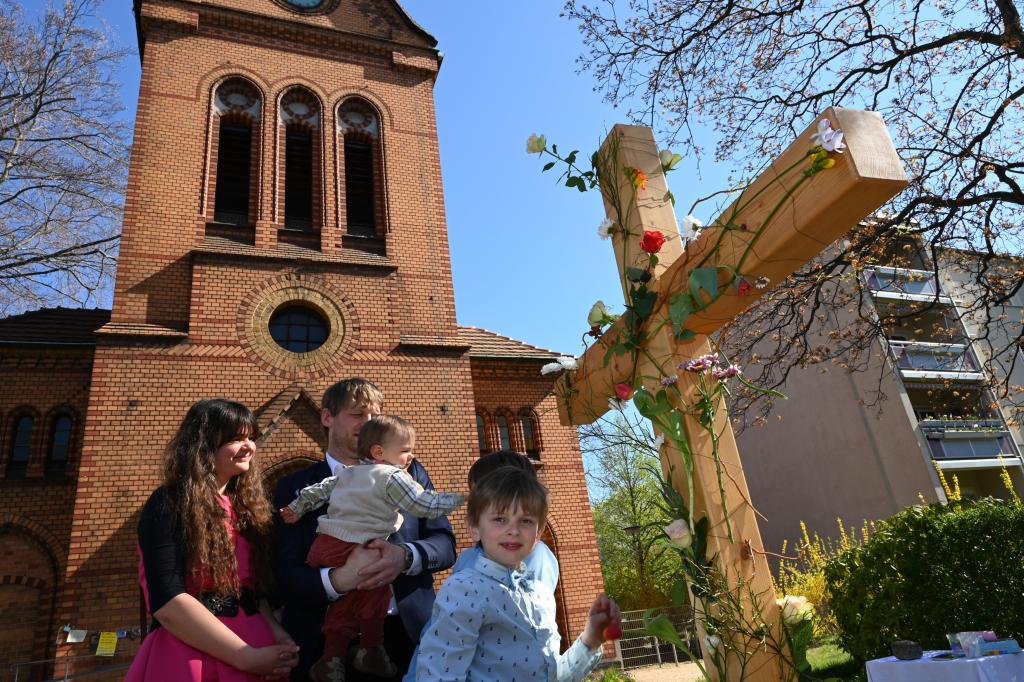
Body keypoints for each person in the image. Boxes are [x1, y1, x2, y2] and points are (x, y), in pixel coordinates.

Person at [273, 378, 457, 682]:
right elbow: (284, 570)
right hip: (324, 647)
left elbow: (444, 543)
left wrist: (405, 557)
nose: (369, 422)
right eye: (358, 414)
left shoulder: (409, 471)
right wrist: (337, 580)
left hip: (408, 640)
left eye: (375, 415)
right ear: (327, 417)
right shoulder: (296, 487)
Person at [127, 398, 300, 682]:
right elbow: (167, 599)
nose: (249, 446)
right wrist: (246, 656)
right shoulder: (169, 502)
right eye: (236, 438)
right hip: (194, 649)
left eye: (251, 437)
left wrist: (278, 637)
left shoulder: (247, 509)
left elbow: (251, 593)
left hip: (257, 645)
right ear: (204, 445)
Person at [413, 466, 622, 680]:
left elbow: (552, 676)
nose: (513, 530)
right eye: (500, 519)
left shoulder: (541, 594)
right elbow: (438, 676)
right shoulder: (463, 590)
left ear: (539, 532)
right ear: (474, 527)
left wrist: (591, 639)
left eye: (526, 521)